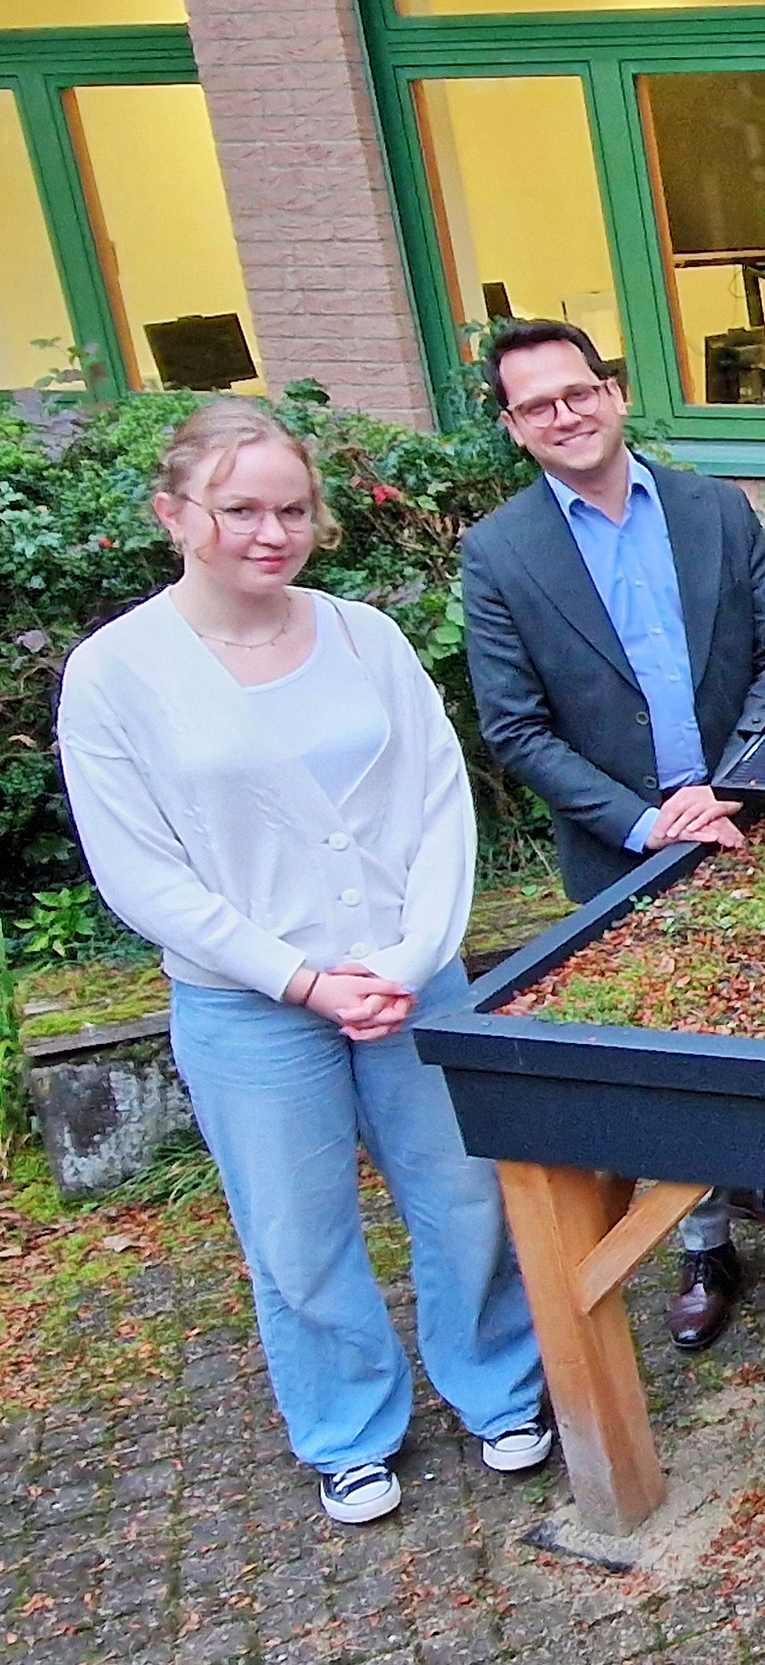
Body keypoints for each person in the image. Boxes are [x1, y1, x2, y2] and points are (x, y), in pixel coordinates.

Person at [58, 399, 550, 1526]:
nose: (269, 532)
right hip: (251, 1006)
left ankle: (499, 1385)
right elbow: (142, 873)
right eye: (239, 509)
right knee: (296, 1228)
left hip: (409, 979)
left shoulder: (365, 635)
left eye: (290, 508)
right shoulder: (118, 673)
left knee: (464, 1194)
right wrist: (301, 978)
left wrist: (410, 954)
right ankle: (347, 1426)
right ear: (175, 512)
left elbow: (438, 803)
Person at [458, 318, 765, 1354]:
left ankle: (763, 1171)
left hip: (744, 823)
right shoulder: (499, 554)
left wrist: (732, 788)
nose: (565, 414)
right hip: (621, 848)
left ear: (615, 392)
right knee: (665, 1059)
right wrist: (645, 818)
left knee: (763, 1017)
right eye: (537, 404)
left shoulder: (714, 509)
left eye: (578, 391)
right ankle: (702, 1241)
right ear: (514, 426)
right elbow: (516, 725)